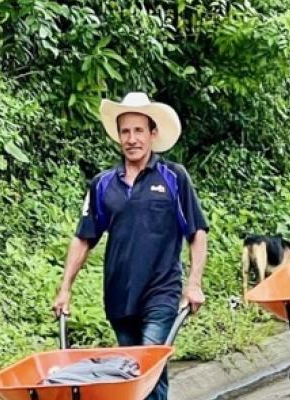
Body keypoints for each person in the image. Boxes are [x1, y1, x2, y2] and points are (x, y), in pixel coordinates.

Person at [52, 92, 209, 400]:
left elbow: (197, 232)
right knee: (137, 377)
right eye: (125, 131)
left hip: (161, 292)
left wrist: (194, 283)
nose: (132, 138)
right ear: (118, 136)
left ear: (153, 134)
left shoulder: (173, 177)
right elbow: (84, 237)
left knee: (144, 368)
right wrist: (65, 288)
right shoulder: (102, 184)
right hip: (120, 297)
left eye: (139, 130)